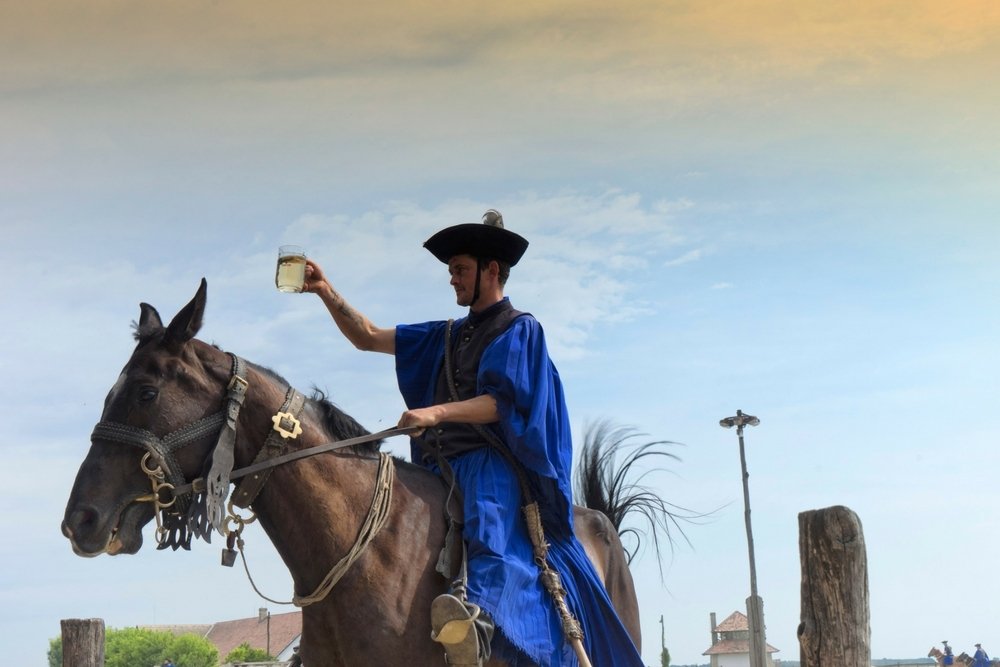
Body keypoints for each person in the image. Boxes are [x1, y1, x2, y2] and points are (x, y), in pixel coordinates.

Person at [304, 211, 644, 666]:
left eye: (460, 269)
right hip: (434, 467)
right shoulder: (444, 335)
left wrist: (435, 411)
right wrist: (326, 290)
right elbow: (366, 337)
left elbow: (502, 402)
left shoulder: (519, 329)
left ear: (492, 270)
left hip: (489, 464)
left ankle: (479, 627)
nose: (452, 280)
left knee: (489, 533)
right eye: (450, 271)